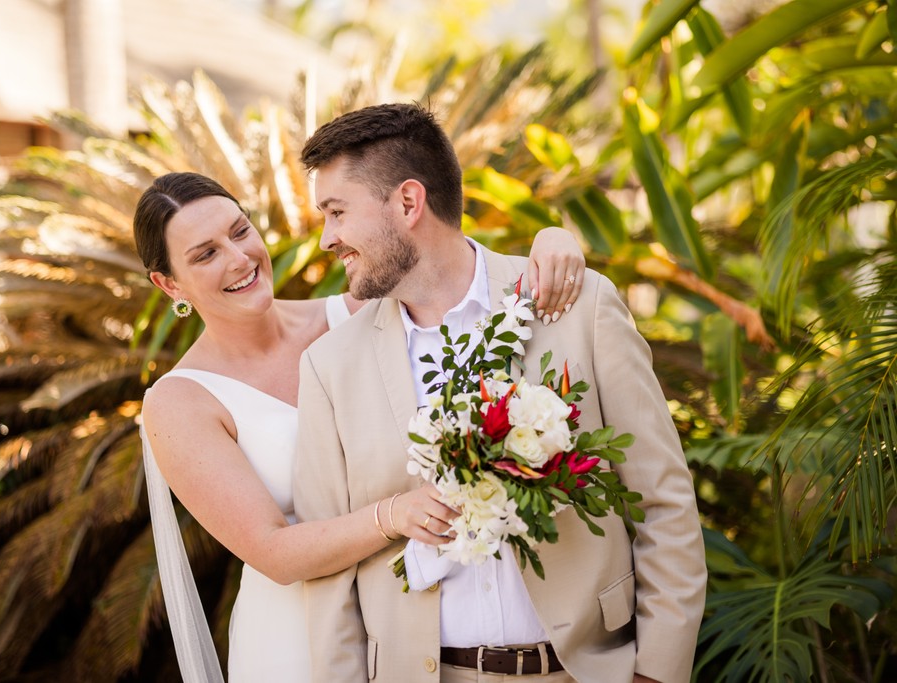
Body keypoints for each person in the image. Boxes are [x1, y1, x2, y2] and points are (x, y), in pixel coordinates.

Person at [292, 103, 707, 683]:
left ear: (408, 203)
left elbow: (662, 500)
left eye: (336, 213)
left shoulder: (576, 307)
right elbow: (330, 577)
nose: (328, 239)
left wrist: (657, 674)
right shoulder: (329, 367)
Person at [133, 171, 587, 683]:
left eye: (240, 232)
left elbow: (451, 272)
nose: (239, 259)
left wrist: (552, 241)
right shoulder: (179, 402)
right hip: (294, 637)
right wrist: (392, 515)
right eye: (205, 254)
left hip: (408, 628)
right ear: (169, 284)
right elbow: (274, 554)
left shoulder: (362, 316)